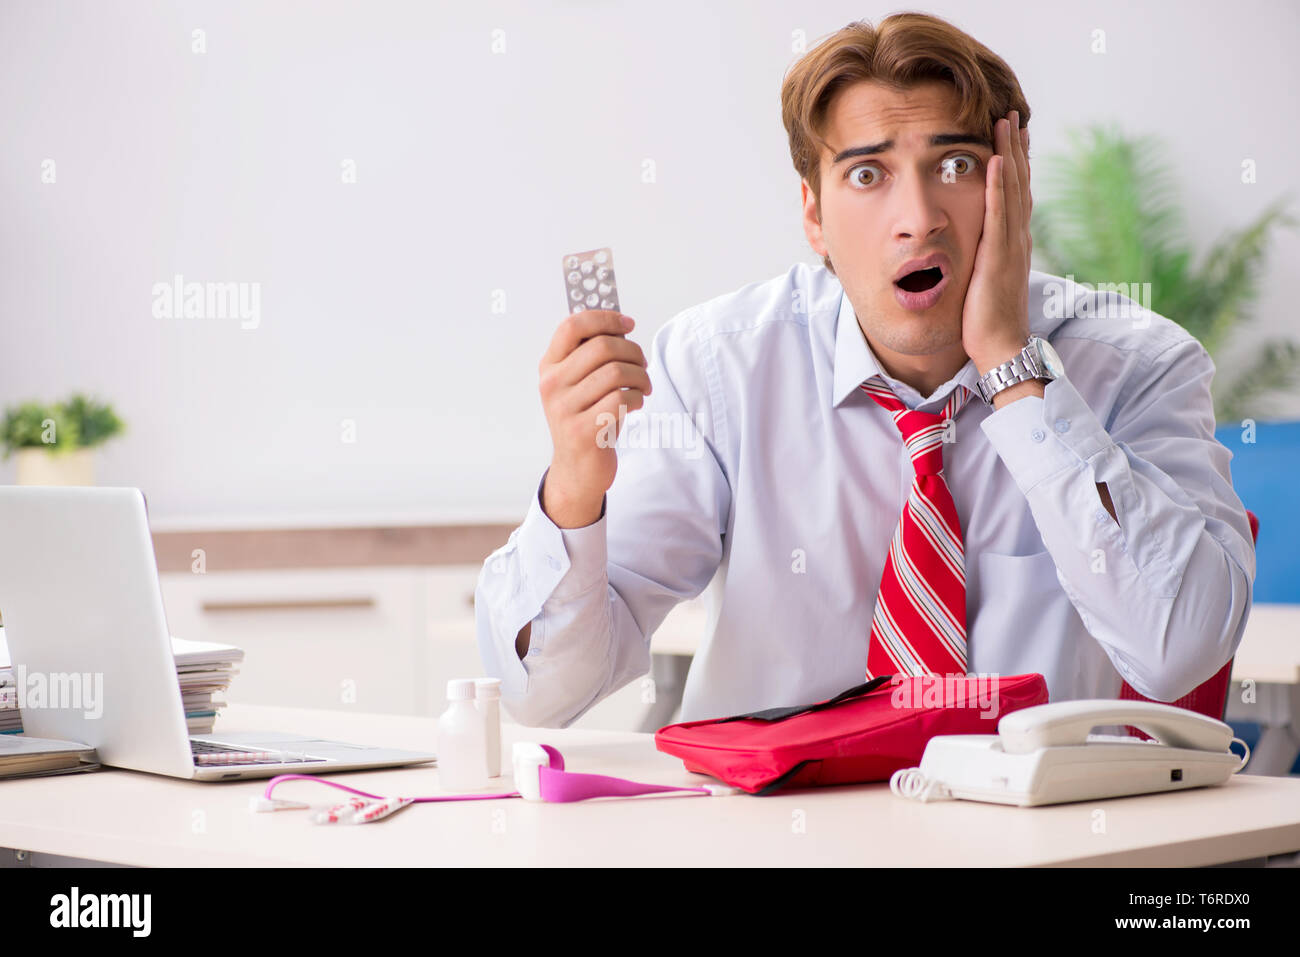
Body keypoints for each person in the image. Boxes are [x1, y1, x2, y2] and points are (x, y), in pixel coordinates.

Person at [474, 13, 1255, 729]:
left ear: (1010, 186)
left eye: (954, 164)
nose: (918, 217)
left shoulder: (1140, 365)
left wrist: (1015, 372)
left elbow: (1180, 649)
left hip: (1028, 840)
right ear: (813, 214)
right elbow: (546, 694)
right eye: (868, 174)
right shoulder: (718, 369)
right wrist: (575, 485)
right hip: (775, 834)